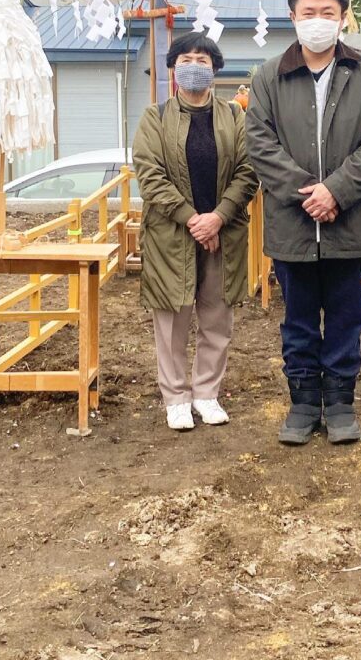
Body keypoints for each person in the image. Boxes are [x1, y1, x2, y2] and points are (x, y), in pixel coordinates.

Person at [246, 0, 361, 445]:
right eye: (308, 13)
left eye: (327, 14)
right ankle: (304, 403)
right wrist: (307, 192)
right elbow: (260, 143)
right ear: (292, 17)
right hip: (292, 224)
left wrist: (336, 192)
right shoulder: (270, 76)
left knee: (348, 316)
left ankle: (342, 404)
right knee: (299, 319)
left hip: (349, 222)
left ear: (343, 18)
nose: (317, 22)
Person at [132, 32, 259, 431]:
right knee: (171, 317)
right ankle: (175, 397)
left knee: (217, 317)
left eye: (202, 61)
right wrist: (192, 219)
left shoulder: (235, 117)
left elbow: (248, 170)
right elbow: (150, 177)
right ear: (173, 69)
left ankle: (206, 393)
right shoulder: (155, 118)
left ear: (215, 69)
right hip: (171, 234)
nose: (193, 67)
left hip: (224, 233)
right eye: (185, 59)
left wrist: (217, 217)